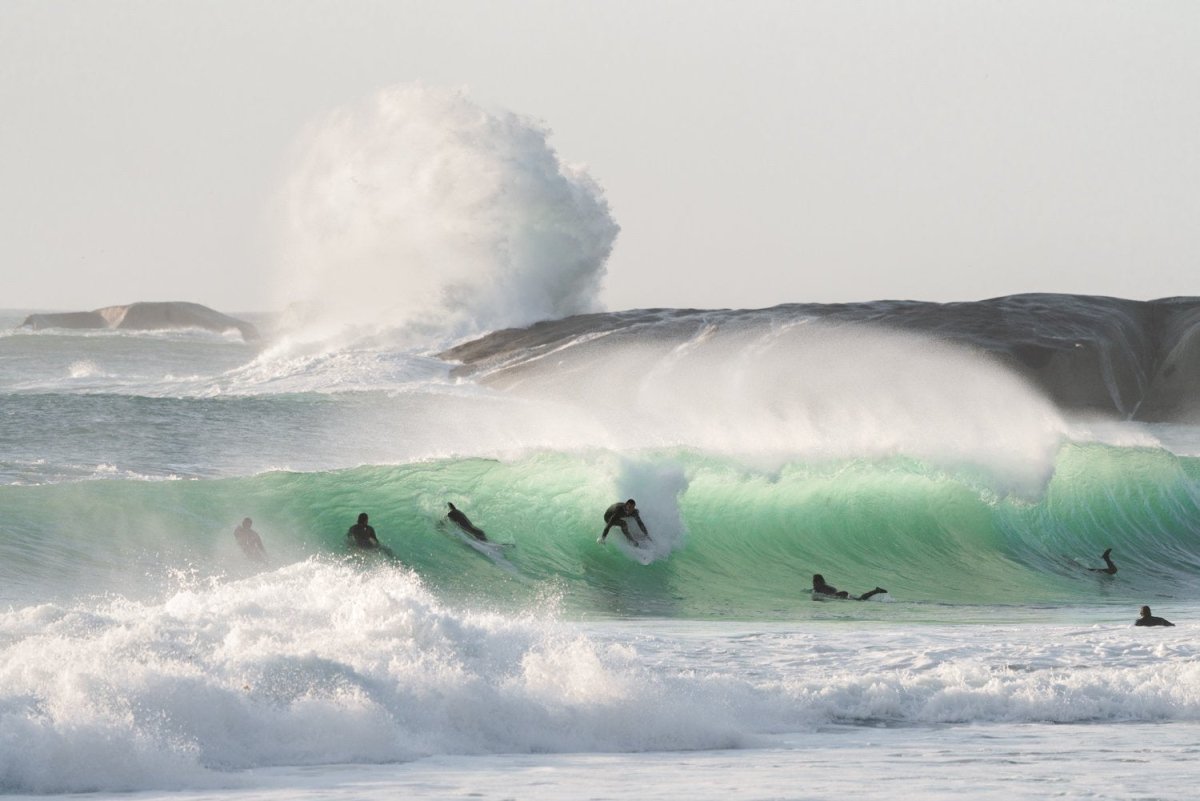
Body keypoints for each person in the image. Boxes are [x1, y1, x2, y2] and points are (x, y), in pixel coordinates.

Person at [812, 573, 887, 601]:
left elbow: (818, 595)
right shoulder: (824, 586)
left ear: (818, 582)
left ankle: (876, 591)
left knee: (859, 600)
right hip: (841, 593)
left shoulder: (819, 587)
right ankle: (876, 591)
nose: (813, 583)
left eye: (814, 581)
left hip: (840, 594)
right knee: (859, 599)